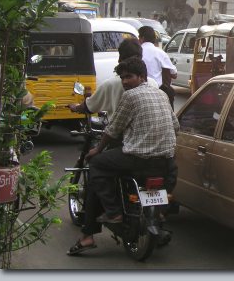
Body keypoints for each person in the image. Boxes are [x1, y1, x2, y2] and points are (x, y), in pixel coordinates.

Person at [67, 57, 179, 255]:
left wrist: (97, 150)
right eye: (123, 78)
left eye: (129, 77)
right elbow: (176, 126)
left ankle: (114, 213)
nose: (125, 82)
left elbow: (113, 130)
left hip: (137, 159)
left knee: (97, 165)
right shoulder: (161, 93)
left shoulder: (131, 96)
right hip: (165, 161)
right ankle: (158, 215)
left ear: (142, 77)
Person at [67, 38, 158, 121]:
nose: (125, 81)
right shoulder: (153, 83)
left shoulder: (111, 84)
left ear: (120, 59)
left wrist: (76, 107)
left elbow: (89, 107)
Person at [138, 25, 177, 110]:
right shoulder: (160, 53)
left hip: (139, 93)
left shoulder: (137, 52)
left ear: (142, 38)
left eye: (139, 37)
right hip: (159, 92)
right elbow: (174, 74)